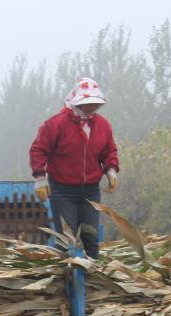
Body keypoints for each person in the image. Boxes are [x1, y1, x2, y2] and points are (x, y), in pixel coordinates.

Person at [29, 76, 120, 258]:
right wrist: (40, 178)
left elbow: (109, 150)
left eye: (95, 103)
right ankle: (66, 280)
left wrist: (111, 170)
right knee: (67, 239)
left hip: (90, 191)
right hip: (63, 190)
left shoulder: (102, 125)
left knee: (90, 237)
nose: (92, 107)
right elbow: (38, 150)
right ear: (77, 101)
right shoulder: (56, 124)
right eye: (88, 103)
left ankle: (91, 278)